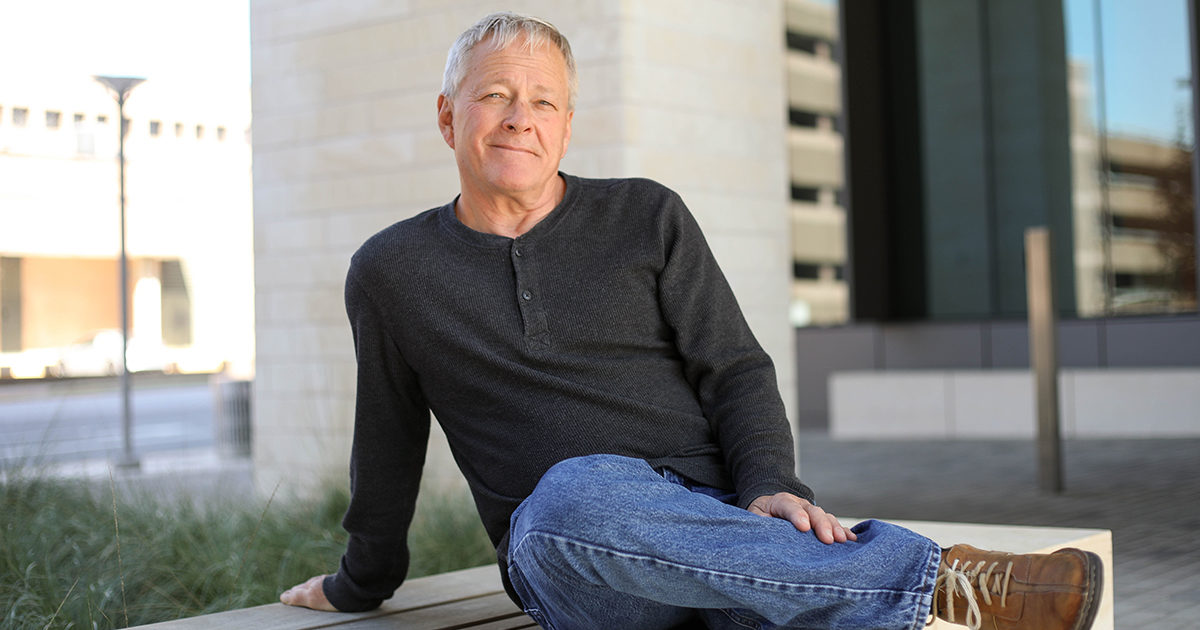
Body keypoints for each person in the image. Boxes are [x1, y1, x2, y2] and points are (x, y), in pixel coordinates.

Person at [280, 12, 1102, 630]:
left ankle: (866, 585)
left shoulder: (646, 215)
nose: (520, 117)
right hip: (579, 562)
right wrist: (360, 583)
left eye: (543, 101)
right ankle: (947, 582)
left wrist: (771, 485)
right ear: (447, 116)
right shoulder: (392, 271)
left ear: (566, 125)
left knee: (739, 568)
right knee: (569, 495)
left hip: (719, 518)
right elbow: (387, 440)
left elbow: (735, 368)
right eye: (495, 95)